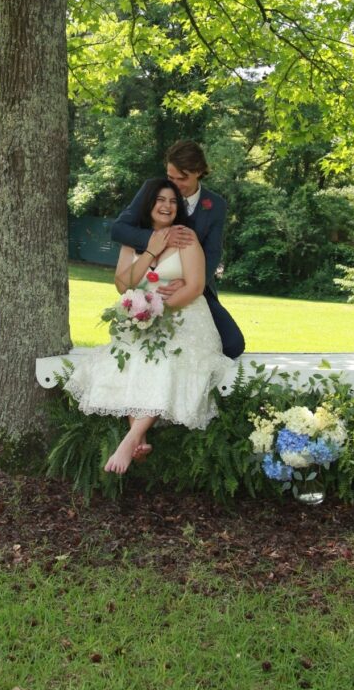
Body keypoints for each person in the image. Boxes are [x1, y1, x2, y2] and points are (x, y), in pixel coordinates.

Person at [62, 179, 233, 474]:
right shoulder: (134, 241)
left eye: (173, 201)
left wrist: (160, 312)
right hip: (144, 318)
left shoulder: (186, 237)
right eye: (161, 200)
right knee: (132, 362)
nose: (167, 206)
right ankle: (139, 439)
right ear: (149, 205)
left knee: (167, 361)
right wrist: (151, 251)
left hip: (185, 317)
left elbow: (195, 287)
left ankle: (130, 440)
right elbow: (123, 285)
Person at [111, 140, 245, 360]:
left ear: (199, 172)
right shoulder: (153, 190)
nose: (174, 184)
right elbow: (118, 230)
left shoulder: (215, 205)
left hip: (195, 286)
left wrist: (189, 281)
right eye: (170, 177)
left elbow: (213, 252)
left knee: (232, 345)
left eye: (181, 179)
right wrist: (158, 239)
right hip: (150, 282)